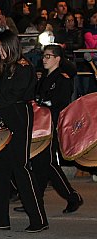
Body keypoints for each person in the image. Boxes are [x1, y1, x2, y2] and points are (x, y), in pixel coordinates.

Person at [0, 31, 49, 233]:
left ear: (11, 46)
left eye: (1, 47)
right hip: (2, 117)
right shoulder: (0, 68)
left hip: (18, 115)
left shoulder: (24, 68)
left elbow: (12, 96)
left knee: (21, 168)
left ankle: (38, 219)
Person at [27, 44, 83, 213]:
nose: (44, 59)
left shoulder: (63, 79)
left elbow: (62, 106)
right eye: (44, 56)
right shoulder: (43, 78)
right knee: (39, 163)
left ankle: (72, 197)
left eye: (48, 56)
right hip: (40, 125)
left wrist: (45, 107)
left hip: (52, 125)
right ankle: (36, 200)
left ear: (57, 59)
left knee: (48, 164)